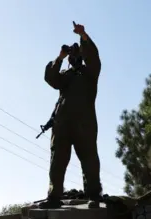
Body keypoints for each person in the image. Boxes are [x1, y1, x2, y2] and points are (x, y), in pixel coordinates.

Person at [39, 21, 103, 209]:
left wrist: (83, 36)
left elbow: (94, 57)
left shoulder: (89, 73)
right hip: (62, 125)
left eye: (77, 53)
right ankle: (53, 196)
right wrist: (60, 57)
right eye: (71, 55)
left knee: (89, 159)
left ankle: (94, 195)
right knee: (57, 160)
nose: (73, 57)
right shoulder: (66, 76)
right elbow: (51, 77)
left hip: (84, 124)